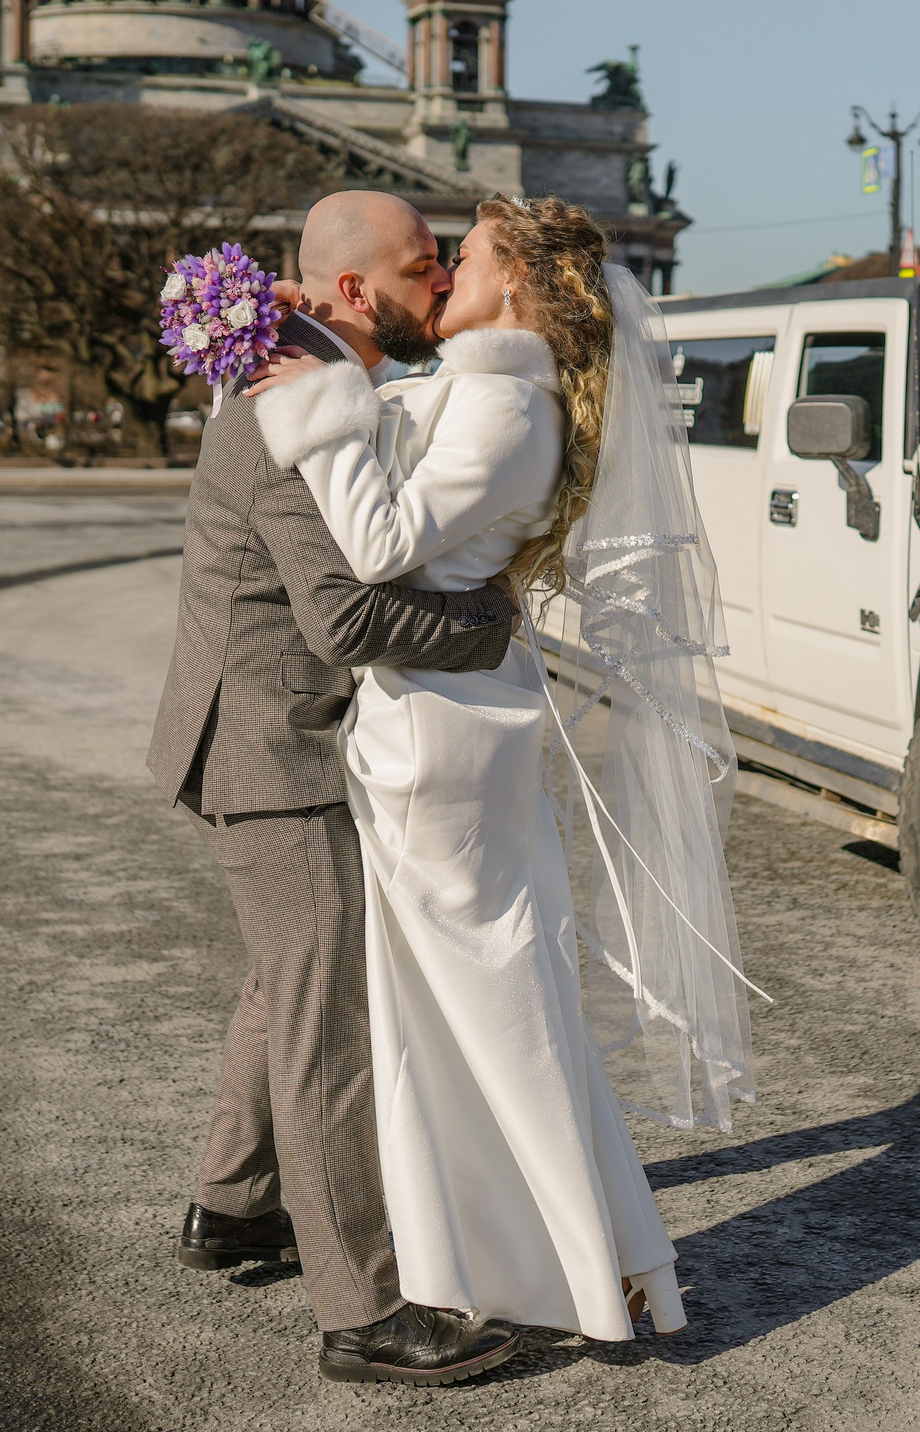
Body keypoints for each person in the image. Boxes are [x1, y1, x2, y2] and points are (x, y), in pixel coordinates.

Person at [247, 194, 752, 1346]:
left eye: (460, 258)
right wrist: (321, 342)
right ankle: (568, 1265)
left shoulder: (504, 405)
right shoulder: (483, 390)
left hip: (439, 737)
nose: (440, 272)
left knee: (484, 1020)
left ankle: (561, 1275)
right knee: (484, 1011)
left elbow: (376, 547)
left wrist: (316, 398)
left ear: (513, 283)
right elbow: (402, 444)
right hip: (451, 723)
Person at [145, 189, 528, 1390]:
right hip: (273, 749)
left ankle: (236, 1202)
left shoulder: (308, 377)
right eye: (425, 270)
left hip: (260, 733)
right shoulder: (288, 404)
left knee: (284, 978)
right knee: (328, 1019)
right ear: (356, 292)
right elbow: (351, 611)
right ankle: (362, 1311)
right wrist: (497, 621)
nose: (439, 287)